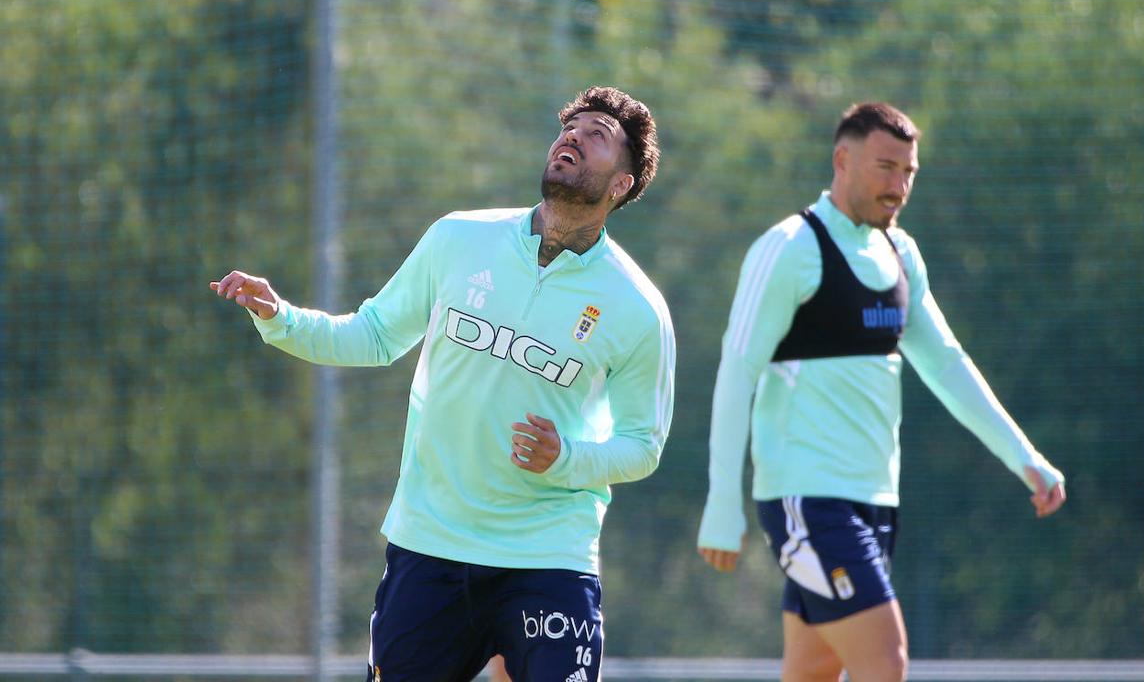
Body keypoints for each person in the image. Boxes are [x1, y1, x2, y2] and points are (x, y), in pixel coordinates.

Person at [212, 86, 675, 682]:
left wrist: (567, 458)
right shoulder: (460, 238)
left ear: (621, 185)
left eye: (597, 136)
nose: (574, 138)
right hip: (430, 544)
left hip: (548, 555)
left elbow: (643, 445)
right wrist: (280, 315)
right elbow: (374, 336)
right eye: (572, 127)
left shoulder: (637, 306)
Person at [696, 102, 1065, 682]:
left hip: (875, 505)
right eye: (885, 167)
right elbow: (736, 373)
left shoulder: (900, 254)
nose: (898, 186)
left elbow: (946, 366)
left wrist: (1025, 457)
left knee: (813, 671)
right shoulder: (791, 247)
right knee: (884, 660)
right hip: (807, 502)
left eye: (908, 172)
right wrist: (722, 503)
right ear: (842, 160)